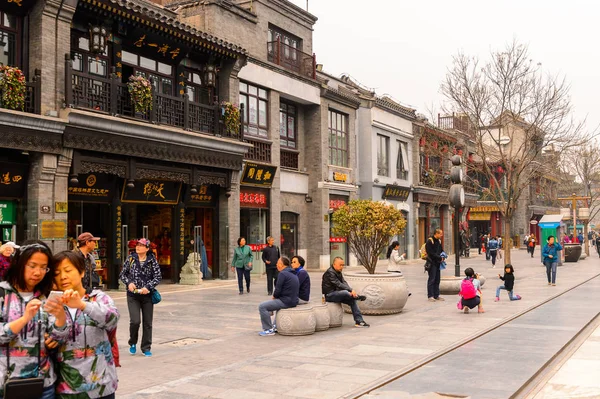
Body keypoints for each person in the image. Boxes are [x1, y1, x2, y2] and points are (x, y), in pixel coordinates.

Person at [0, 240, 69, 399]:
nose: (38, 272)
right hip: (5, 384)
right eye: (32, 266)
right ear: (19, 264)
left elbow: (59, 339)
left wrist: (60, 318)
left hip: (43, 385)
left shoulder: (46, 296)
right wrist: (24, 319)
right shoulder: (2, 293)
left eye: (43, 267)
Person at [53, 251, 120, 398]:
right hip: (67, 389)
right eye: (57, 273)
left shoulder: (99, 297)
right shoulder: (53, 303)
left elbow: (113, 319)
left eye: (68, 270)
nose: (62, 276)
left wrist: (83, 305)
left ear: (82, 272)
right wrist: (59, 320)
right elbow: (52, 340)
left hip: (101, 387)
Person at [119, 238, 161, 357]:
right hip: (133, 296)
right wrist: (129, 283)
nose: (138, 247)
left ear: (147, 248)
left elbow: (157, 277)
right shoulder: (131, 258)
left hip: (147, 296)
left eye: (141, 246)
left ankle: (146, 347)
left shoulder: (152, 261)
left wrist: (148, 287)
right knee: (135, 321)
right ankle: (132, 342)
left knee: (148, 323)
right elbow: (122, 274)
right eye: (137, 245)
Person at [322, 257, 369, 328]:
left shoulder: (338, 272)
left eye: (343, 265)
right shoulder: (330, 273)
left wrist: (351, 290)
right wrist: (350, 291)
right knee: (345, 292)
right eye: (340, 265)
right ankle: (357, 296)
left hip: (338, 294)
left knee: (352, 300)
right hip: (329, 295)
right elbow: (338, 284)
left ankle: (359, 321)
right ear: (334, 264)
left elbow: (343, 282)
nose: (342, 267)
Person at [257, 257, 299, 336]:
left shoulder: (282, 274)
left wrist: (274, 297)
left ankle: (268, 329)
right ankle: (275, 326)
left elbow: (277, 290)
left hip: (286, 301)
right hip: (293, 300)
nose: (276, 265)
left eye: (277, 263)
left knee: (262, 306)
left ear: (281, 265)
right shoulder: (292, 273)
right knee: (276, 305)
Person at [425, 229, 444, 302]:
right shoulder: (430, 241)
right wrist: (439, 257)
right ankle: (430, 295)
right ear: (436, 233)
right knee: (432, 279)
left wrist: (443, 256)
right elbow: (430, 253)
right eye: (440, 234)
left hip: (438, 263)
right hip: (432, 263)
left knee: (437, 279)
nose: (441, 235)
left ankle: (436, 295)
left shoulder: (438, 241)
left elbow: (441, 250)